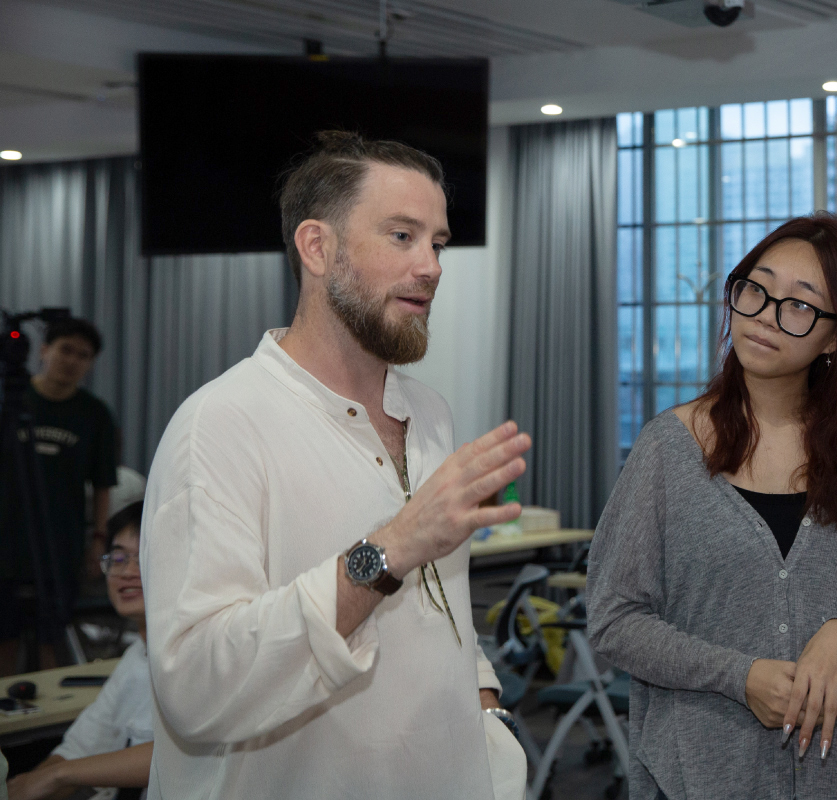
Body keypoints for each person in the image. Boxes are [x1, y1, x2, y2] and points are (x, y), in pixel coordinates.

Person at [140, 131, 531, 800]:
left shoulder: (429, 413)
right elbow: (196, 687)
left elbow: (440, 613)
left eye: (437, 243)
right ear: (318, 247)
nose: (432, 266)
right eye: (402, 236)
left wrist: (488, 717)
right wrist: (391, 549)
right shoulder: (220, 425)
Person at [588, 212, 837, 800]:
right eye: (756, 289)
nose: (765, 314)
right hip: (702, 778)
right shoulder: (668, 449)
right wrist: (739, 677)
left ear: (835, 336)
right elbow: (614, 620)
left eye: (800, 304)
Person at [7, 501, 153, 800]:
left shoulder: (199, 659)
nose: (127, 571)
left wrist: (58, 776)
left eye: (143, 558)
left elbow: (177, 758)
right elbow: (82, 745)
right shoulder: (136, 657)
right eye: (118, 557)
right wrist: (33, 783)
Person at [0, 317, 119, 674]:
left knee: (52, 637)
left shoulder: (95, 415)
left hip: (59, 545)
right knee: (5, 637)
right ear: (43, 350)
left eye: (83, 355)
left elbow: (103, 483)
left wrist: (98, 539)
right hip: (6, 540)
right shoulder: (10, 403)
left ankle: (48, 709)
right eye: (65, 350)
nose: (72, 361)